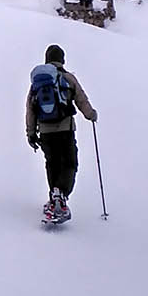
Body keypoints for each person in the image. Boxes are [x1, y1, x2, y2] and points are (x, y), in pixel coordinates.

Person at [26, 43, 97, 222]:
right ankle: (61, 194)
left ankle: (54, 197)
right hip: (65, 129)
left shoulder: (38, 82)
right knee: (70, 163)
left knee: (52, 163)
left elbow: (30, 109)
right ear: (62, 59)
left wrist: (31, 133)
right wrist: (91, 115)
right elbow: (81, 99)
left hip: (45, 132)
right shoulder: (68, 78)